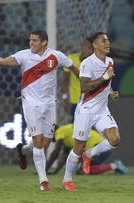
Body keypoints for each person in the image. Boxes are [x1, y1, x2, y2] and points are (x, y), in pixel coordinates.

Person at [0, 30, 79, 191]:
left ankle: (23, 150)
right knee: (38, 142)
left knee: (45, 143)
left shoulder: (57, 56)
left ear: (44, 42)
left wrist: (86, 84)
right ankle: (43, 181)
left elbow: (74, 68)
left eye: (35, 40)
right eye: (30, 40)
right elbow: (4, 62)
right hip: (31, 104)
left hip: (49, 104)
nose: (31, 43)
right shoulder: (23, 55)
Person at [62, 32, 120, 192]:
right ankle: (67, 179)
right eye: (103, 41)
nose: (107, 43)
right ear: (94, 45)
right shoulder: (87, 63)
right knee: (78, 147)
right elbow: (85, 87)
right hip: (86, 110)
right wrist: (104, 77)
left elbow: (105, 85)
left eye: (108, 40)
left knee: (114, 140)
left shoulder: (110, 61)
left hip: (102, 110)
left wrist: (111, 93)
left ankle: (89, 155)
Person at [46, 123, 129, 175]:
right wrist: (55, 172)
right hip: (101, 147)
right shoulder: (65, 132)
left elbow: (55, 152)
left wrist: (45, 170)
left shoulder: (59, 132)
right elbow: (64, 156)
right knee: (81, 169)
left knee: (85, 170)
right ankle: (115, 166)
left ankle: (115, 166)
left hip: (99, 147)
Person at [61, 39, 93, 121]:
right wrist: (65, 98)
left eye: (92, 49)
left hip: (88, 103)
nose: (90, 51)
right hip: (74, 101)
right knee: (75, 128)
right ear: (82, 46)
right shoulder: (71, 59)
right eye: (89, 48)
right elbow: (65, 81)